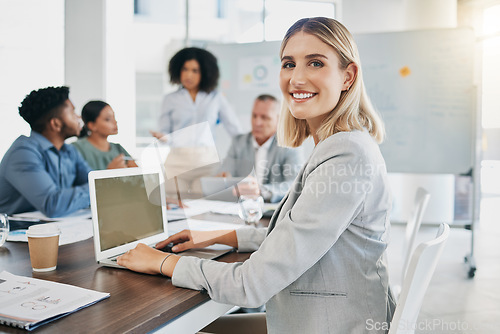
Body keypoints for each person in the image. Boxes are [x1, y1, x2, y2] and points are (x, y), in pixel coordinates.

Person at [118, 17, 395, 333]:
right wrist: (216, 236)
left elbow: (250, 285)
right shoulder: (337, 144)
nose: (297, 78)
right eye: (288, 64)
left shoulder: (346, 154)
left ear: (348, 76)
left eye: (315, 63)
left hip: (335, 324)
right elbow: (295, 238)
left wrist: (162, 262)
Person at [0, 86, 92, 218]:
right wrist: (95, 189)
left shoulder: (70, 151)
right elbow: (53, 204)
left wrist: (95, 186)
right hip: (15, 233)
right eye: (72, 112)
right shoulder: (23, 152)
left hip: (55, 228)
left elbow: (91, 181)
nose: (78, 117)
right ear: (56, 124)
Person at [219, 94, 302, 203]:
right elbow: (224, 176)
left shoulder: (290, 145)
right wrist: (224, 180)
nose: (257, 123)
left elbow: (295, 185)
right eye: (254, 116)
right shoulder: (239, 142)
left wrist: (261, 191)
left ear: (279, 119)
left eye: (264, 117)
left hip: (273, 211)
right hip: (242, 208)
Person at [150, 47, 243, 143]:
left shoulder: (215, 97)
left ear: (204, 73)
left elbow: (234, 128)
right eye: (185, 69)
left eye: (195, 71)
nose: (188, 75)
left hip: (207, 155)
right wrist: (164, 137)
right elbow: (164, 131)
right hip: (178, 155)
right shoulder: (170, 99)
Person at [72, 100, 138, 170]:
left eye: (114, 117)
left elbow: (138, 175)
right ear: (92, 125)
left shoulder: (118, 148)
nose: (115, 122)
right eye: (108, 119)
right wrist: (109, 172)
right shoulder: (76, 149)